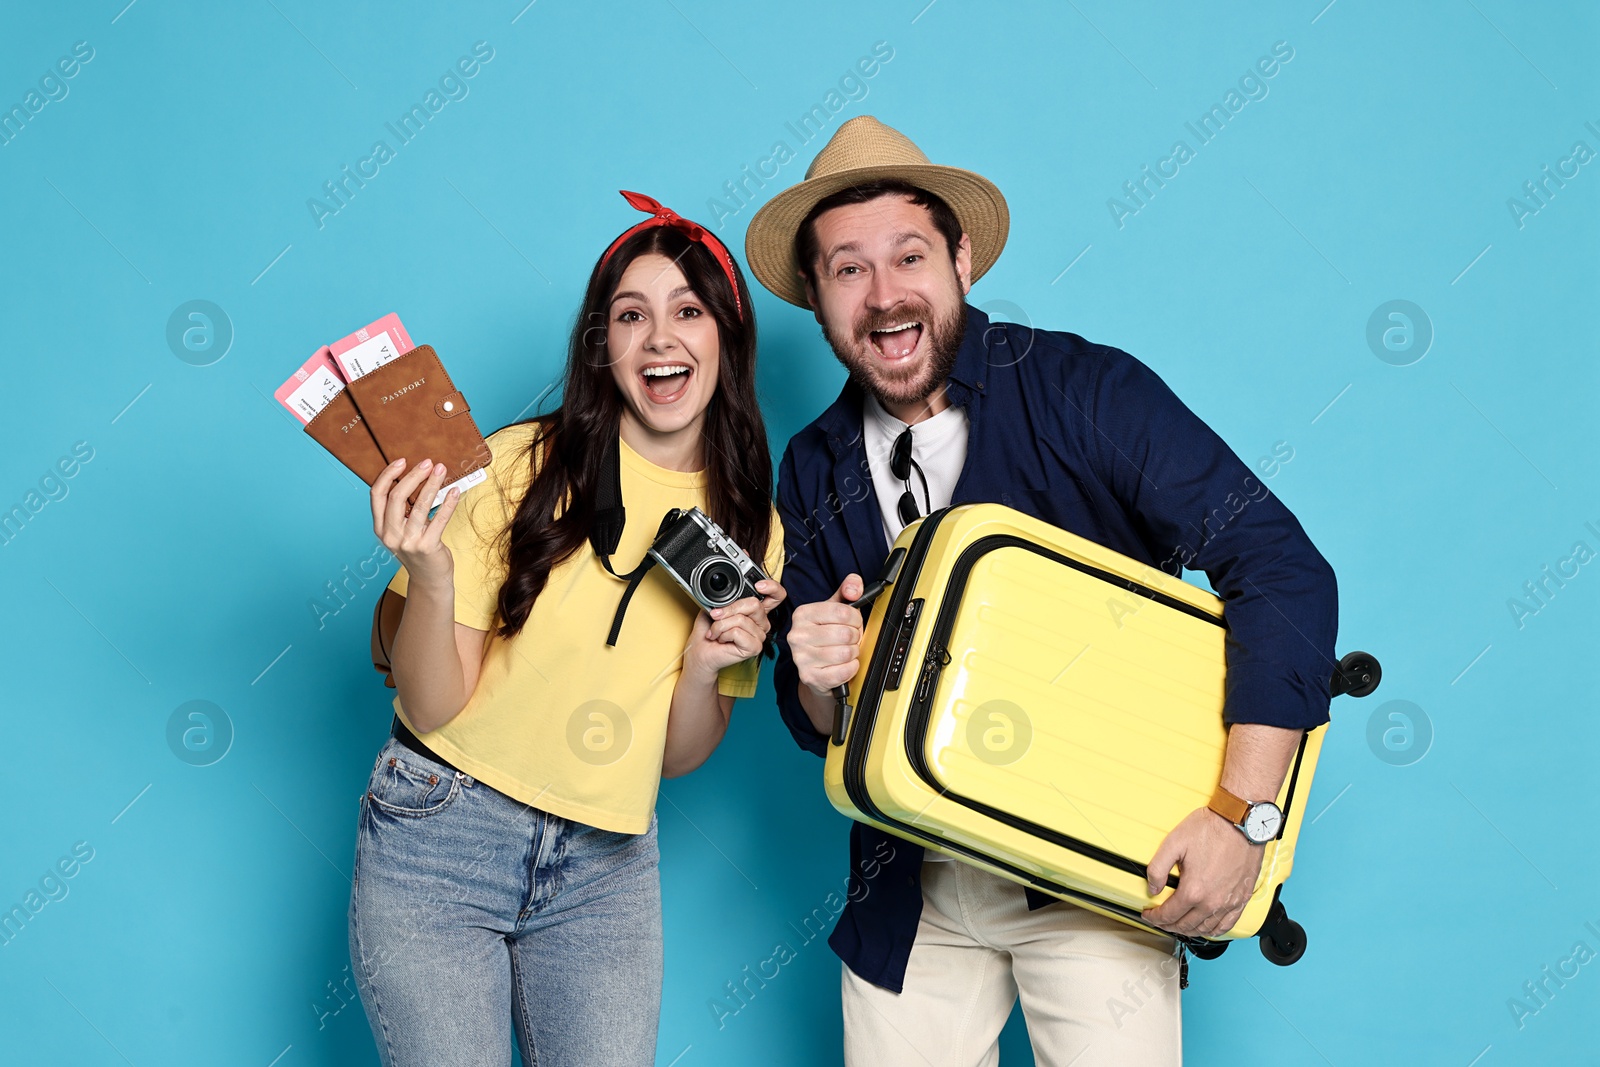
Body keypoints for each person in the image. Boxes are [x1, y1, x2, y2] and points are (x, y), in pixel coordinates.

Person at [745, 116, 1338, 1066]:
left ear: (962, 259)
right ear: (816, 298)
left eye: (910, 255)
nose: (886, 294)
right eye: (849, 269)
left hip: (1099, 875)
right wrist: (816, 673)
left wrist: (1240, 815)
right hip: (910, 897)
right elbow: (813, 718)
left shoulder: (1084, 390)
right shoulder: (811, 465)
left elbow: (1281, 567)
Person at [348, 191, 787, 1067]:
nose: (661, 337)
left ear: (726, 342)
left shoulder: (749, 523)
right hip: (446, 829)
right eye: (632, 315)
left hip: (607, 865)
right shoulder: (515, 465)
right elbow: (434, 707)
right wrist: (431, 577)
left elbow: (677, 756)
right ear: (604, 347)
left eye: (688, 311)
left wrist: (703, 666)